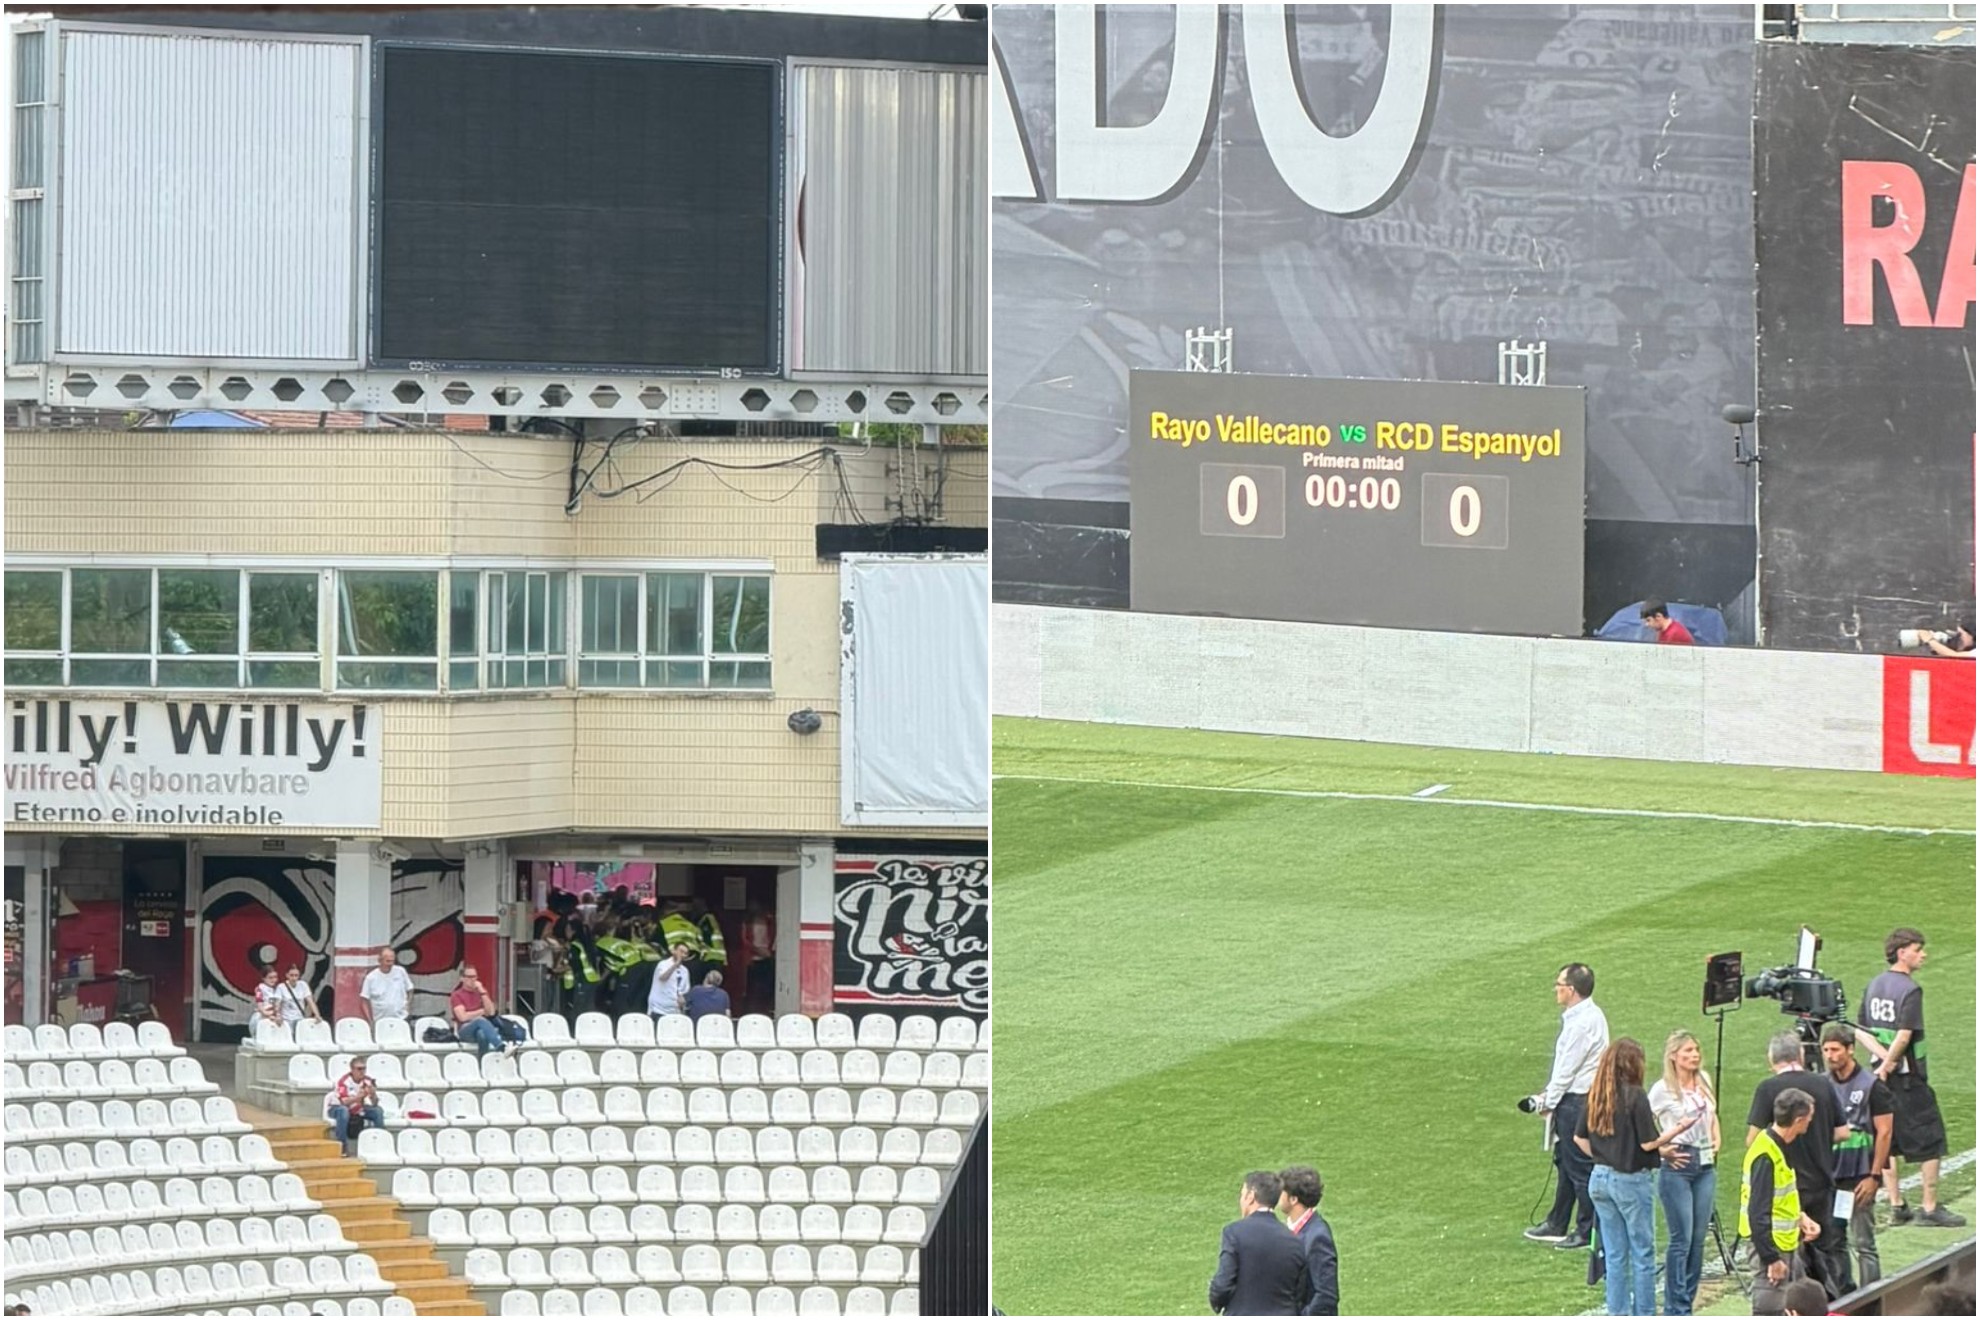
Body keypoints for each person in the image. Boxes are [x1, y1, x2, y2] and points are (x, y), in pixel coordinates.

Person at [1574, 1038, 1699, 1317]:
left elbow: (1578, 1137)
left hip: (1600, 1179)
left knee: (1616, 1255)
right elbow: (1647, 1144)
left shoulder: (1597, 1093)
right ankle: (1644, 1313)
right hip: (1630, 1181)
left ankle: (1618, 1313)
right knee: (1642, 1253)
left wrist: (1603, 1155)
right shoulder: (1635, 1095)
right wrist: (1680, 1127)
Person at [1857, 927, 1962, 1227]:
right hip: (1908, 1079)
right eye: (1918, 949)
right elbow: (1904, 1036)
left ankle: (1896, 1204)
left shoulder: (1875, 984)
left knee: (1886, 1139)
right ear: (1902, 952)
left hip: (1878, 1077)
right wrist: (1890, 1062)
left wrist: (1880, 1061)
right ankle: (1929, 1208)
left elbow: (1859, 1030)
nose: (1923, 954)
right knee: (1931, 1139)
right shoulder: (1910, 990)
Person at [1748, 1031, 1850, 1295]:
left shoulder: (1767, 1089)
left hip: (1789, 1194)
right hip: (1821, 1183)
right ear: (1801, 1055)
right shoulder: (1823, 1084)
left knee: (1793, 1266)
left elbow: (1753, 1139)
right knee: (1826, 1254)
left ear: (1772, 1059)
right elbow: (1843, 1132)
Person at [1525, 962, 1609, 1250]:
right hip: (1578, 1098)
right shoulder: (1589, 1016)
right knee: (1565, 1162)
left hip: (1576, 1100)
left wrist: (1547, 1101)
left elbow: (1566, 1070)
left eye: (1559, 985)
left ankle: (1586, 1230)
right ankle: (1558, 1221)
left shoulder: (1581, 1024)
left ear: (1571, 990)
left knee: (1579, 1167)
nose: (1556, 990)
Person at [1648, 1030, 1721, 1316]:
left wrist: (1718, 1137)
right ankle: (1675, 1306)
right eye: (1688, 1050)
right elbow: (1643, 1122)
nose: (1694, 1055)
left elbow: (1711, 1115)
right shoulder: (1661, 1089)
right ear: (1673, 1056)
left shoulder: (1704, 1080)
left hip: (1704, 1164)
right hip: (1677, 1165)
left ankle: (1686, 1300)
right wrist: (1660, 1148)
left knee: (1699, 1236)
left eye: (1696, 1049)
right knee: (1682, 1238)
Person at [1820, 1024, 1893, 1291]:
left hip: (1860, 1176)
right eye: (1826, 1049)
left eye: (1835, 1049)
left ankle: (1871, 1298)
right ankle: (1846, 1295)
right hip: (1833, 1177)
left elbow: (1884, 1133)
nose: (1830, 1055)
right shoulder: (1822, 1085)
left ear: (1850, 1050)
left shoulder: (1872, 1086)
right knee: (1836, 1239)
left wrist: (1874, 1176)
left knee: (1864, 1243)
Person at [1743, 1088, 1823, 1316]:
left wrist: (1801, 1217)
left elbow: (1781, 1197)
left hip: (1785, 1245)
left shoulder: (1777, 1146)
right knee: (1771, 1308)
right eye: (1809, 1117)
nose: (1810, 1122)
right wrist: (1771, 1259)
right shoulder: (1766, 1155)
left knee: (1796, 1303)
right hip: (1771, 1249)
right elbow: (1757, 1213)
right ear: (1798, 1120)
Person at [1208, 1170, 1306, 1316]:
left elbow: (1223, 1284)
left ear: (1251, 1197)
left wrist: (1216, 1300)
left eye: (1242, 1195)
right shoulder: (1295, 1240)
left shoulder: (1234, 1233)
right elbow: (1300, 1293)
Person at [1276, 1165, 1338, 1317]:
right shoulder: (1289, 1229)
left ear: (1293, 1199)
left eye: (1282, 1191)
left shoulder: (1317, 1237)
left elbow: (1326, 1295)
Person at [450, 966, 527, 1055]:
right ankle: (501, 1047)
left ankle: (482, 1062)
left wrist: (482, 992)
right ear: (462, 978)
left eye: (474, 976)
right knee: (480, 1020)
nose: (472, 980)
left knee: (482, 1034)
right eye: (469, 977)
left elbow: (491, 1012)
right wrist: (481, 1012)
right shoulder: (457, 995)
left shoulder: (480, 992)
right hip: (465, 1029)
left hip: (482, 1028)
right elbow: (463, 1017)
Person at [327, 1055, 383, 1154]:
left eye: (364, 1068)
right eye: (359, 1069)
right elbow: (343, 1102)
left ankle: (381, 1141)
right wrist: (358, 1097)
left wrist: (373, 1094)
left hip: (358, 1107)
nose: (362, 1071)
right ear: (352, 1070)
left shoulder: (367, 1081)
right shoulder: (344, 1081)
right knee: (343, 1111)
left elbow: (374, 1103)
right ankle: (342, 1146)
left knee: (377, 1111)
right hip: (337, 1107)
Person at [359, 948, 413, 1025]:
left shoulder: (401, 971)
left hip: (402, 1017)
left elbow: (410, 988)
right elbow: (364, 1000)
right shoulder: (371, 978)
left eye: (392, 961)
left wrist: (408, 1005)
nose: (390, 964)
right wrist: (370, 1021)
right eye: (387, 961)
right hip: (380, 1020)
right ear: (380, 960)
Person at [741, 901, 776, 1013]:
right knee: (752, 989)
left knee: (767, 988)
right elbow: (744, 940)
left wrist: (770, 952)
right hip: (753, 959)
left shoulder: (770, 921)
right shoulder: (747, 922)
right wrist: (756, 950)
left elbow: (775, 936)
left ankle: (766, 1010)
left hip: (767, 957)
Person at [648, 942, 693, 1021]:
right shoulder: (663, 964)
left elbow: (685, 990)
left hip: (675, 1011)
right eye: (681, 951)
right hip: (658, 1009)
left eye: (685, 953)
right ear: (674, 951)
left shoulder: (685, 971)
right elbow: (663, 978)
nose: (682, 955)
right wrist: (675, 965)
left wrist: (682, 998)